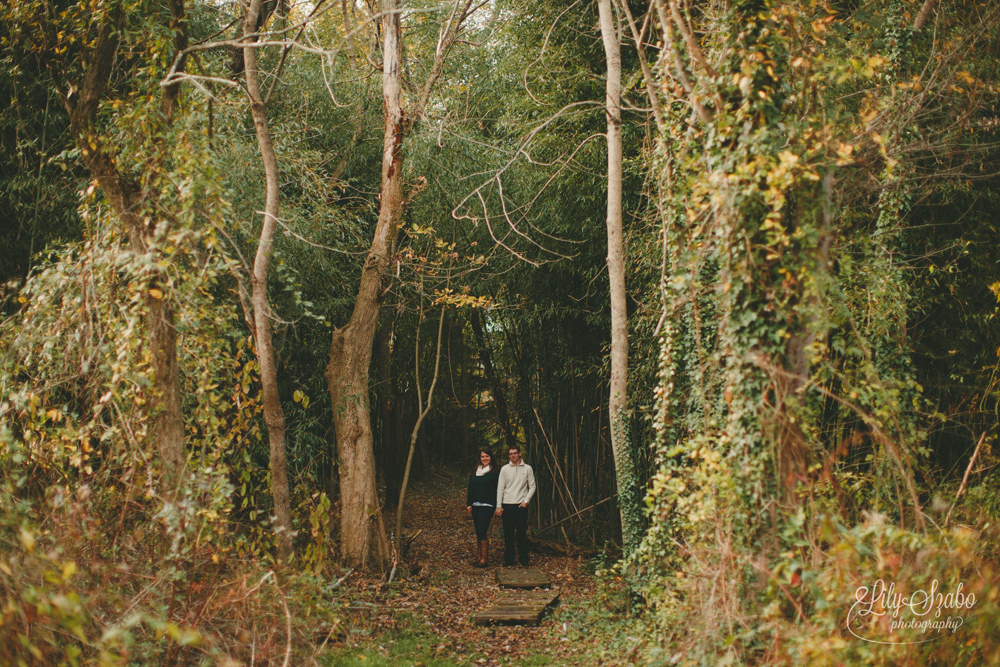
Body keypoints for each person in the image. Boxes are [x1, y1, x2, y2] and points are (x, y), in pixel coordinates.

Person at [495, 445, 536, 567]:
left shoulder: (527, 468)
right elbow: (500, 488)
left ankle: (524, 560)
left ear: (520, 453)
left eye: (515, 453)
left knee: (521, 534)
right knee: (508, 534)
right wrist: (498, 505)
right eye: (510, 453)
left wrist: (526, 501)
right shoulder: (505, 469)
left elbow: (532, 486)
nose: (513, 455)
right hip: (507, 505)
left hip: (520, 506)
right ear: (509, 455)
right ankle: (509, 560)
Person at [466, 449, 499, 568]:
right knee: (478, 530)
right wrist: (469, 503)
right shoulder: (476, 470)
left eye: (487, 456)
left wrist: (497, 505)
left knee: (482, 529)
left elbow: (498, 489)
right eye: (482, 456)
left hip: (488, 505)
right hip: (475, 505)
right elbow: (471, 488)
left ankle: (484, 559)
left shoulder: (494, 472)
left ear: (491, 457)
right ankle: (480, 557)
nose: (484, 458)